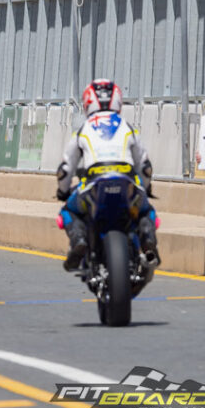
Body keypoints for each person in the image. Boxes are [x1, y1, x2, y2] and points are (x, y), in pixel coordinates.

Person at [56, 79, 160, 272]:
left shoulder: (83, 129)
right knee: (147, 211)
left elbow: (65, 168)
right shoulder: (128, 127)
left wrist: (62, 191)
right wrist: (146, 188)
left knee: (67, 211)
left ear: (88, 102)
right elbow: (145, 166)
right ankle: (148, 240)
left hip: (93, 185)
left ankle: (79, 240)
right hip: (127, 184)